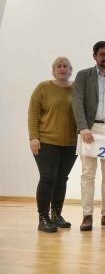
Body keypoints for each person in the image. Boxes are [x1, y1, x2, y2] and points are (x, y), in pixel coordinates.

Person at [72, 41, 105, 231]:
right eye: (102, 54)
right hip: (90, 130)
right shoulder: (83, 75)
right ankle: (87, 215)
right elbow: (77, 102)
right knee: (88, 174)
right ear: (94, 56)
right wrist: (83, 128)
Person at [28, 57, 78, 233]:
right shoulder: (43, 88)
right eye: (59, 66)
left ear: (70, 70)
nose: (62, 68)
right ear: (53, 70)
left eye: (66, 66)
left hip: (71, 143)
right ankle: (43, 218)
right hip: (46, 141)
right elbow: (33, 114)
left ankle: (56, 215)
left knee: (61, 179)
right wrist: (33, 137)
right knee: (48, 177)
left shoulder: (76, 89)